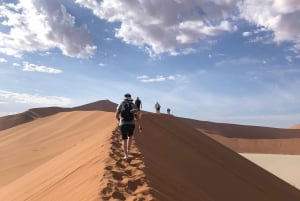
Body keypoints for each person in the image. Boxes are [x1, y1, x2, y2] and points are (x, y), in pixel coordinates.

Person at [116, 93, 139, 160]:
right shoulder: (133, 104)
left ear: (124, 98)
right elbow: (136, 115)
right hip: (132, 124)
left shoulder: (121, 104)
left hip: (123, 123)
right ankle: (129, 150)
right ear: (130, 98)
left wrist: (119, 121)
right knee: (130, 137)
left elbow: (116, 115)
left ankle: (126, 155)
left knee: (124, 139)